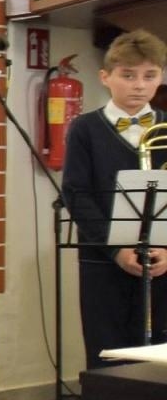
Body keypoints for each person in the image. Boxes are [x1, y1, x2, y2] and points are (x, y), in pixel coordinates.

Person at [61, 30, 167, 369]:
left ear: (161, 77)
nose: (138, 85)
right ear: (105, 77)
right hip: (103, 262)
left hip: (162, 259)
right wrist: (116, 250)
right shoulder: (84, 128)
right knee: (108, 353)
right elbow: (77, 195)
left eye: (149, 76)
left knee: (159, 355)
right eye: (128, 75)